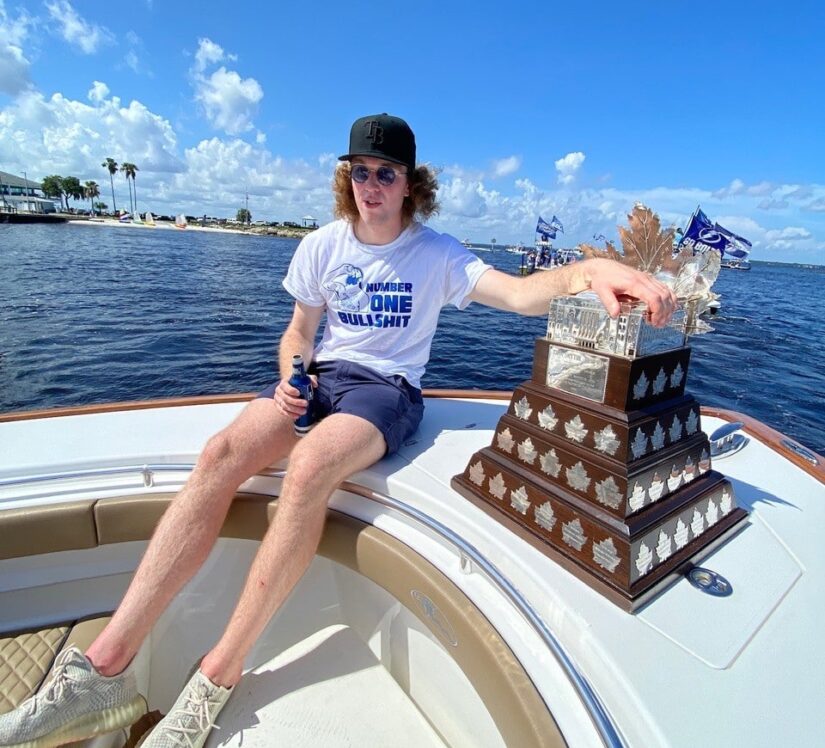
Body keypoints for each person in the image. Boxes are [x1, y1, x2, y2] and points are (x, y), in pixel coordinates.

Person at [0, 113, 676, 748]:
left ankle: (216, 678)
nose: (370, 185)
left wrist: (591, 271)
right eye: (359, 171)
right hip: (322, 379)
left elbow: (523, 293)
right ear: (344, 178)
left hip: (387, 392)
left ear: (411, 184)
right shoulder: (321, 245)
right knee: (219, 453)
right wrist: (293, 373)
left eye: (386, 173)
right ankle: (103, 672)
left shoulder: (436, 255)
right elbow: (298, 331)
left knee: (309, 466)